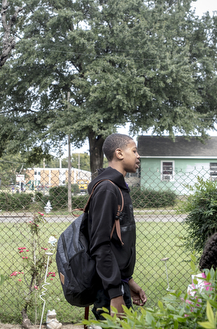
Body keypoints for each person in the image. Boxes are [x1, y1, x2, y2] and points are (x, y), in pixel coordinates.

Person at [87, 133, 147, 319]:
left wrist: (128, 281)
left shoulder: (118, 188)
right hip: (109, 289)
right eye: (134, 151)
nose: (138, 156)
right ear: (119, 153)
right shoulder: (107, 189)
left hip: (117, 283)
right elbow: (100, 244)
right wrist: (115, 294)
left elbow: (116, 243)